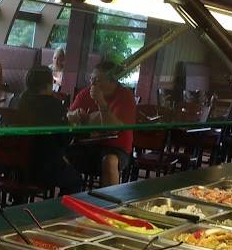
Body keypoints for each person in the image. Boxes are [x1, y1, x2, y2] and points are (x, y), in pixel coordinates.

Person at [10, 66, 80, 194]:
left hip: (13, 166)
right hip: (42, 167)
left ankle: (18, 200)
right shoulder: (54, 105)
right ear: (49, 84)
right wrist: (73, 124)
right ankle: (58, 207)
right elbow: (63, 141)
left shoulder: (16, 100)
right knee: (75, 181)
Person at [66, 61, 137, 186]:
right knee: (60, 155)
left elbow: (113, 129)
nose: (92, 84)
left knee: (109, 161)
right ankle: (71, 192)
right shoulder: (86, 93)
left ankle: (109, 198)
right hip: (87, 144)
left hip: (116, 147)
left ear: (112, 82)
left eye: (97, 80)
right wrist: (75, 115)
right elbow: (68, 117)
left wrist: (101, 103)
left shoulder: (125, 95)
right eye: (91, 79)